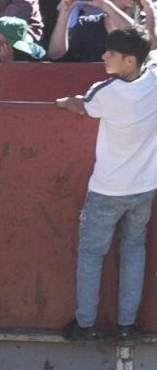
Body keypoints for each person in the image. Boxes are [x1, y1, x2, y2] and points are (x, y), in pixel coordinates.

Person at [60, 22, 157, 340]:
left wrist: (64, 102)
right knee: (134, 249)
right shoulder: (154, 78)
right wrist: (148, 15)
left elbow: (79, 106)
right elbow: (152, 50)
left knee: (91, 253)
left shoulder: (107, 91)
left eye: (112, 53)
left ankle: (85, 325)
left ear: (130, 60)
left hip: (107, 190)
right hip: (144, 187)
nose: (104, 56)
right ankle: (126, 326)